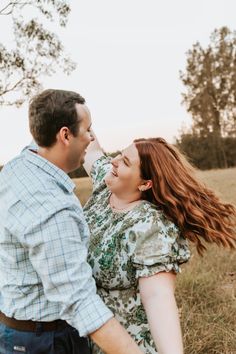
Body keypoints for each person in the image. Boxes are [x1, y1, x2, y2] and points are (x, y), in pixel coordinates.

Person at [0, 89, 143, 354]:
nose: (91, 137)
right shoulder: (52, 208)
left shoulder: (19, 165)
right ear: (65, 135)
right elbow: (79, 301)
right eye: (88, 130)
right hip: (46, 340)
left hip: (15, 326)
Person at [83, 134, 236, 354]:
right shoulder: (106, 184)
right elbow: (89, 146)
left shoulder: (149, 225)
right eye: (120, 154)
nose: (114, 160)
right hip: (85, 337)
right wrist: (73, 108)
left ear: (145, 183)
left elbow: (158, 296)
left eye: (125, 161)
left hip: (125, 345)